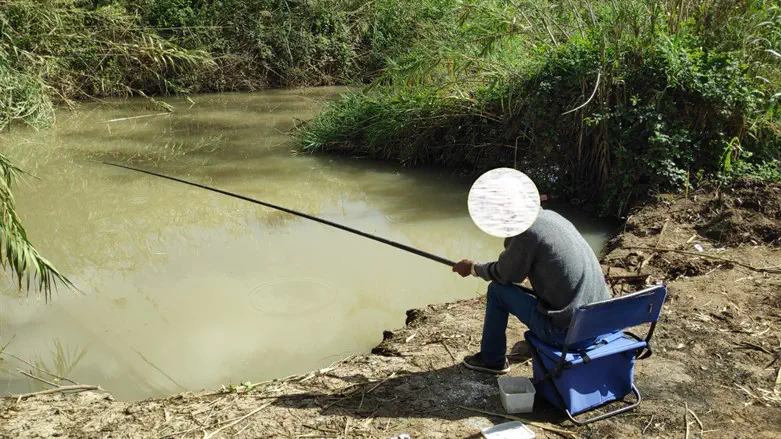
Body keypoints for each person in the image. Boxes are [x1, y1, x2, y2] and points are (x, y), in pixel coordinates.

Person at [452, 200, 611, 374]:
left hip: (571, 336)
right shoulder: (553, 217)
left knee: (497, 291)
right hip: (602, 324)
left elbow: (505, 274)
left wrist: (473, 268)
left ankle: (491, 360)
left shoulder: (526, 232)